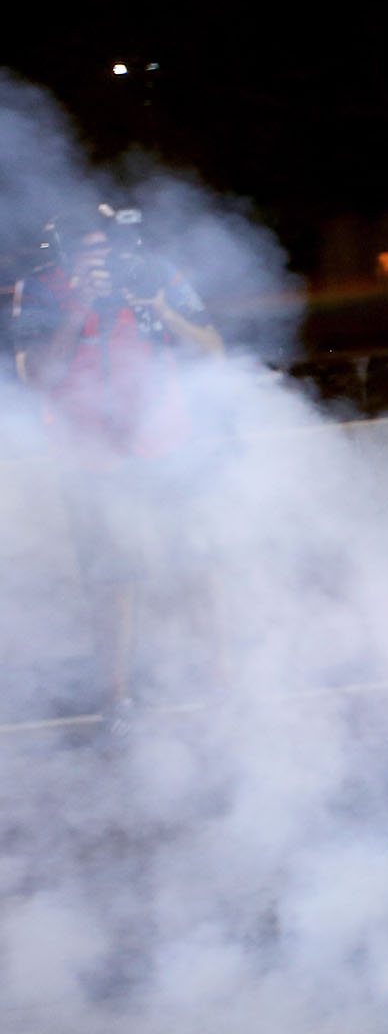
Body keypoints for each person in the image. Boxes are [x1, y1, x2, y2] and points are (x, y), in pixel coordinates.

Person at [13, 203, 224, 727]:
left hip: (166, 446)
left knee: (194, 567)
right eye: (86, 251)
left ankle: (221, 687)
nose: (100, 259)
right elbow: (35, 375)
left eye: (105, 247)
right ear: (64, 253)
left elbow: (213, 352)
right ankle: (117, 701)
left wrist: (162, 309)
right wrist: (77, 309)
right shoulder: (40, 289)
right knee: (111, 579)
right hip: (88, 455)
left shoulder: (154, 273)